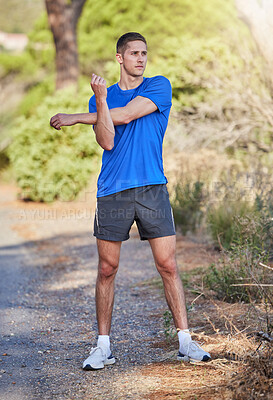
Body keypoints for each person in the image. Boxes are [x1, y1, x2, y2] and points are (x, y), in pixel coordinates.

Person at [50, 32, 211, 370]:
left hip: (152, 188)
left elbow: (126, 116)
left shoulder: (158, 86)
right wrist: (100, 101)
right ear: (119, 58)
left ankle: (185, 340)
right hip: (113, 190)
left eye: (144, 53)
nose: (141, 58)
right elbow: (107, 140)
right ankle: (103, 347)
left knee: (168, 265)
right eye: (134, 53)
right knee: (107, 269)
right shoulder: (101, 99)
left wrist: (75, 117)